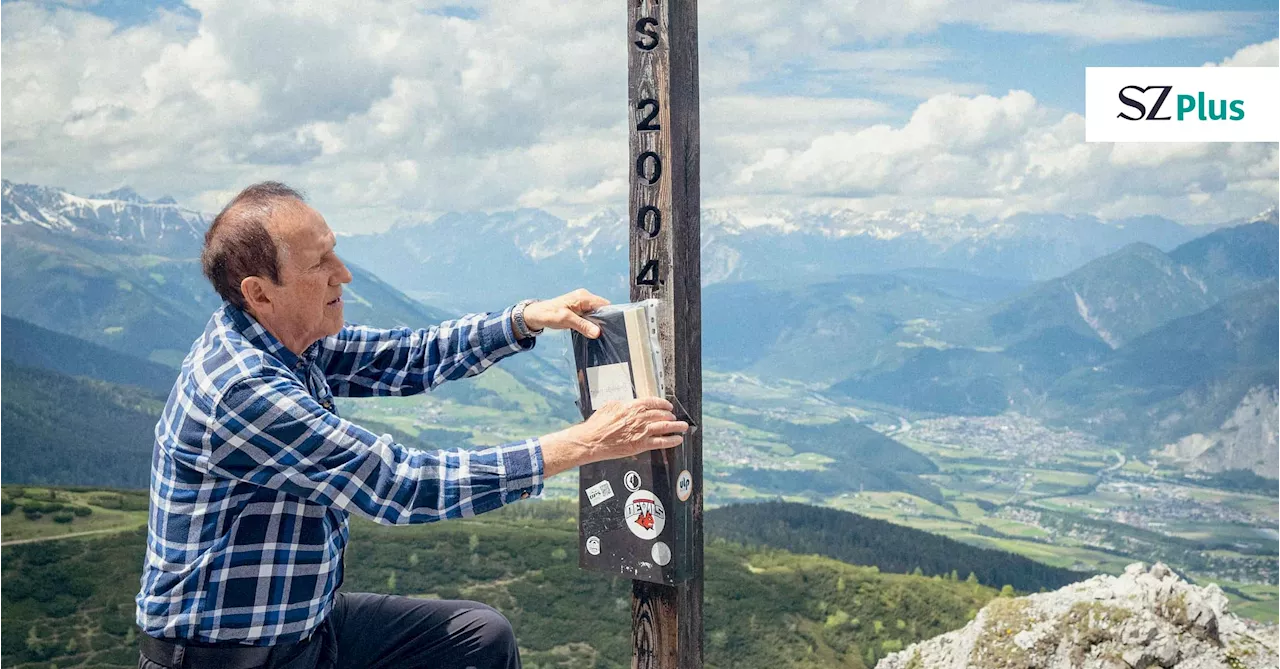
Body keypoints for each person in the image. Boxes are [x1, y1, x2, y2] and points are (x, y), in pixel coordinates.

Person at [135, 182, 687, 669]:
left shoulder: (284, 340)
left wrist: (523, 320)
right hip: (225, 656)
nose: (342, 274)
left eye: (335, 252)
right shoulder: (242, 391)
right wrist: (585, 444)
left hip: (303, 629)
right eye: (319, 264)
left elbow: (405, 357)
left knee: (480, 639)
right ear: (260, 292)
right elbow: (399, 484)